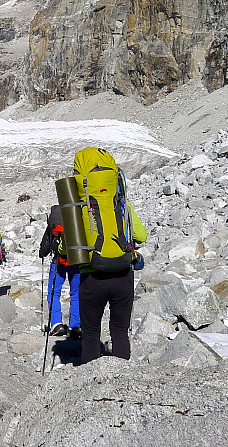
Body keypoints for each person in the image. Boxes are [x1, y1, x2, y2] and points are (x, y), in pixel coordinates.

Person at [64, 147, 148, 363]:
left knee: (91, 333)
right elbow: (142, 235)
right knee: (120, 330)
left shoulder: (78, 208)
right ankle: (122, 381)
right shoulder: (121, 202)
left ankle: (92, 387)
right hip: (123, 274)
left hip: (92, 278)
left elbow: (67, 249)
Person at [38, 205, 80, 338]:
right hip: (75, 261)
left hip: (58, 262)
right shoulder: (74, 218)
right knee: (76, 293)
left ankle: (56, 323)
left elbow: (45, 245)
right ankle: (75, 326)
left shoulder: (53, 221)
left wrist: (42, 253)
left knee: (53, 292)